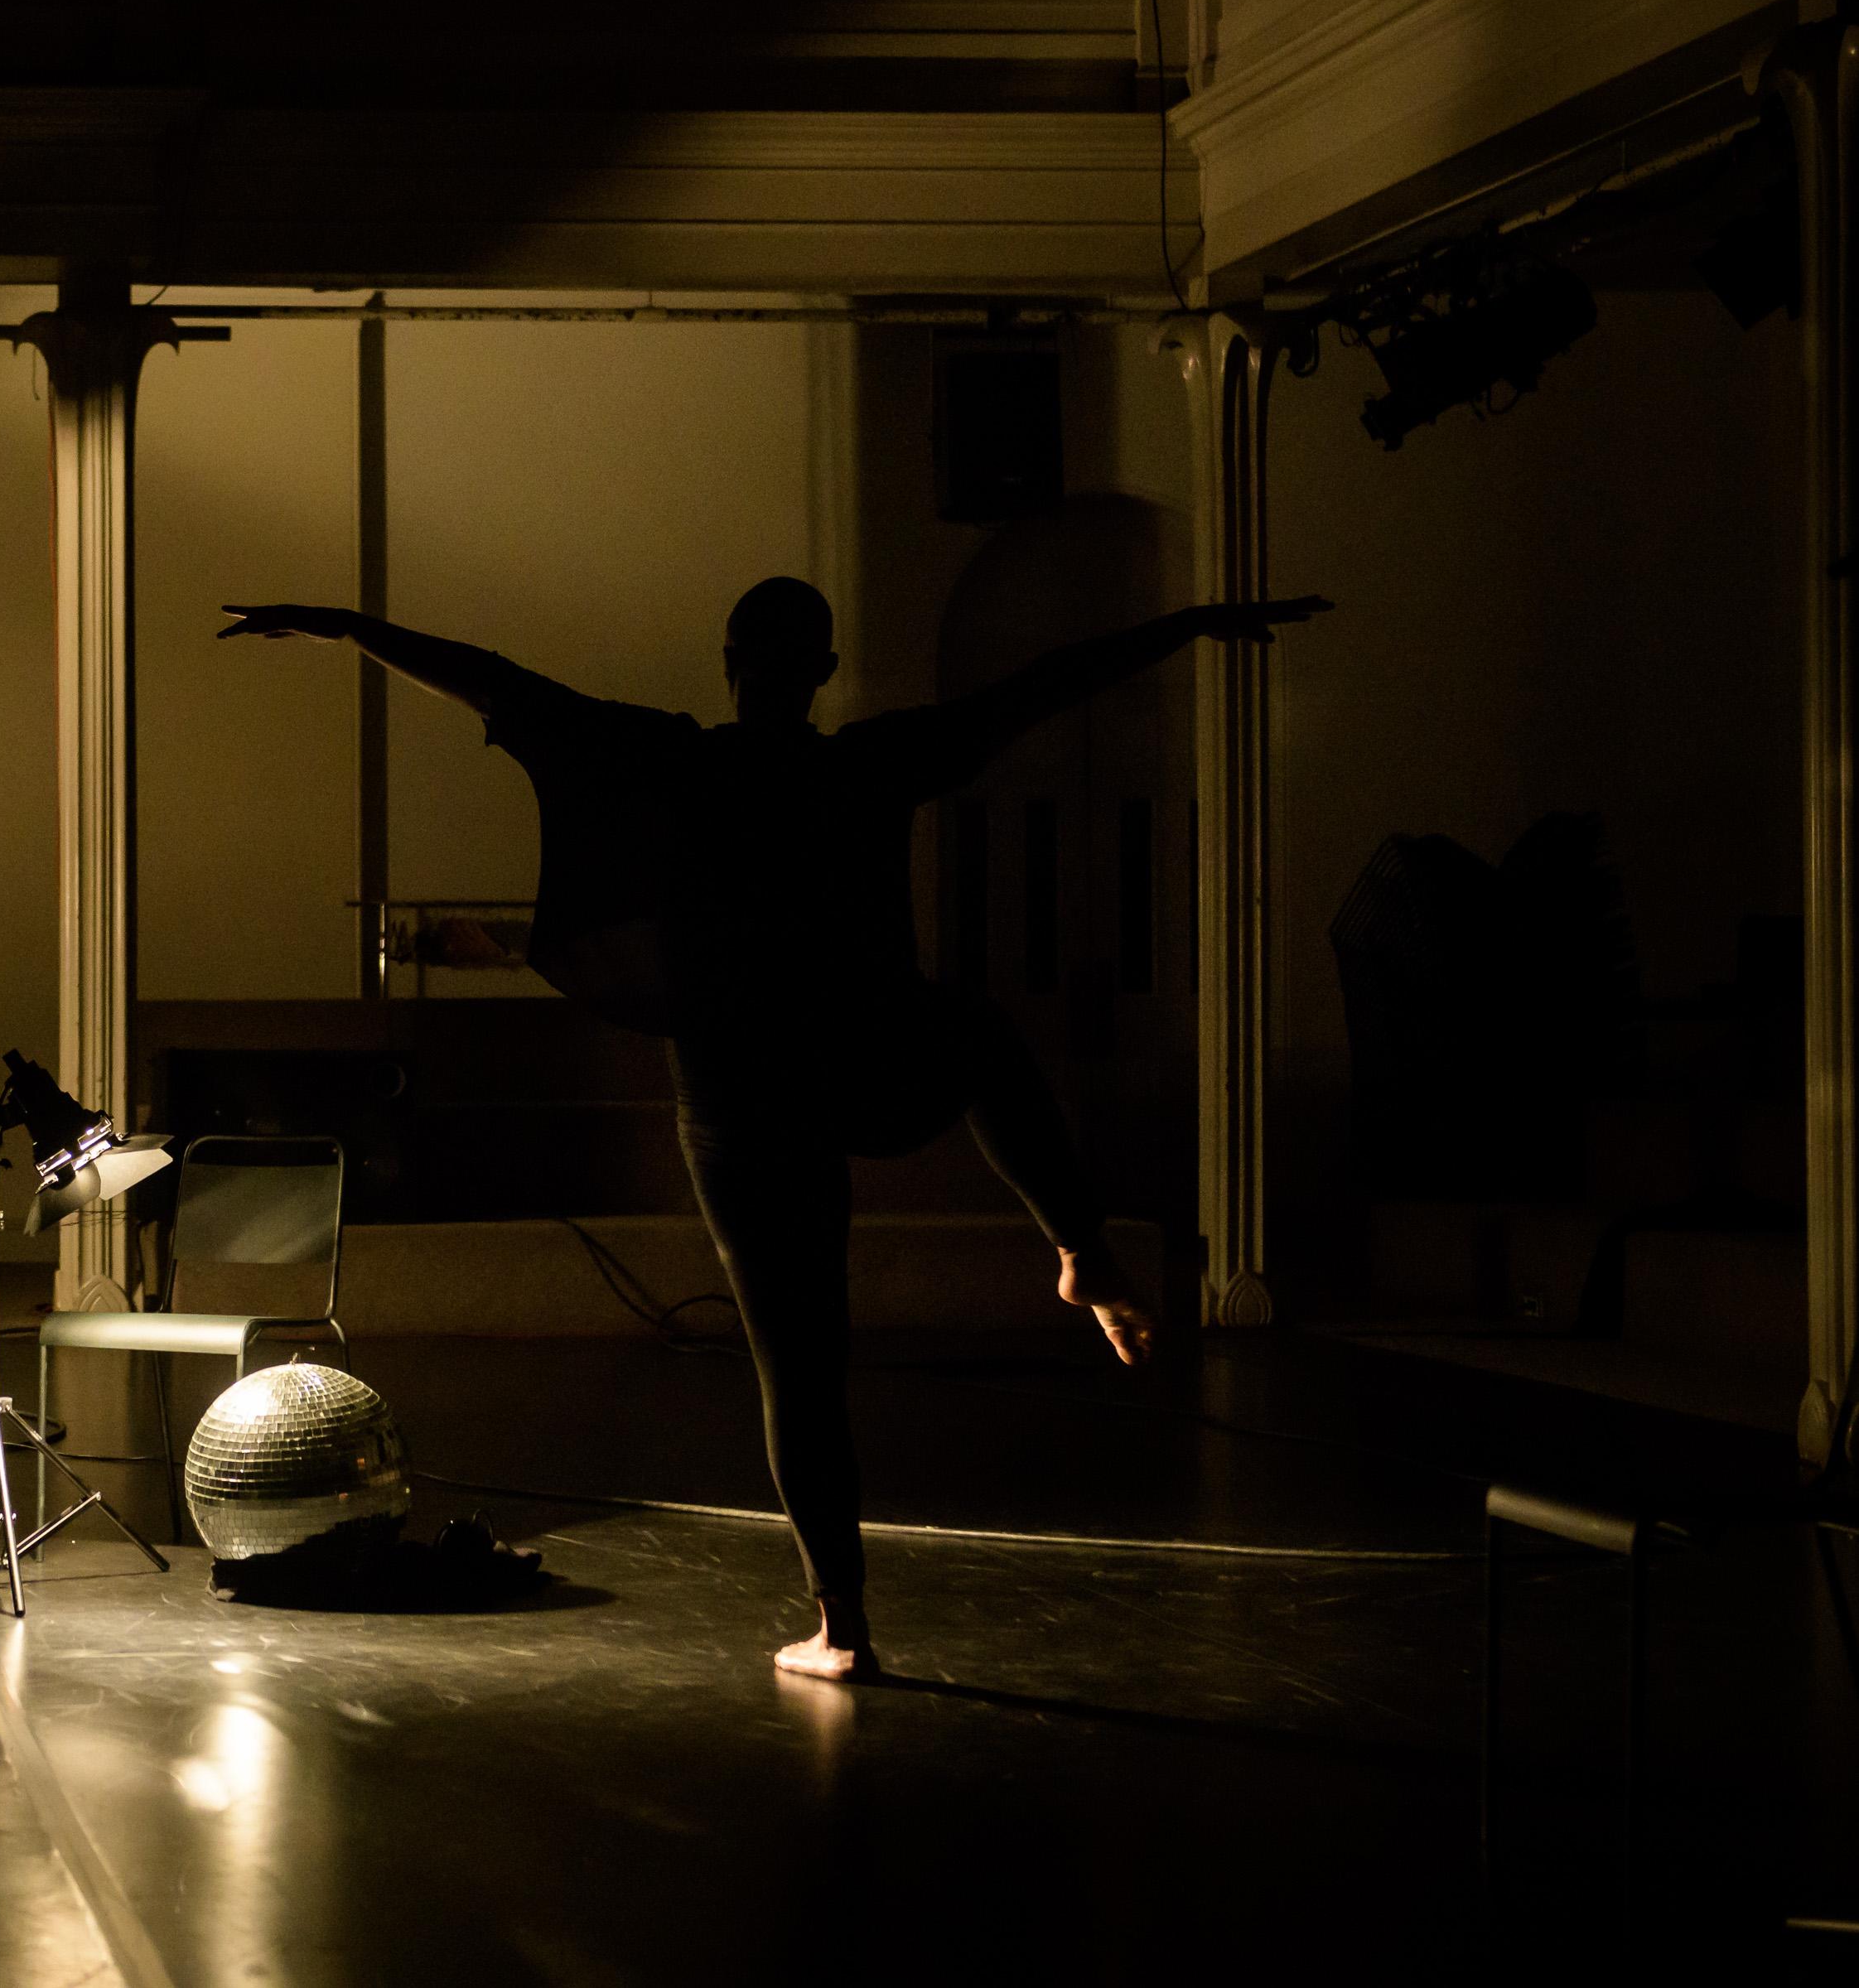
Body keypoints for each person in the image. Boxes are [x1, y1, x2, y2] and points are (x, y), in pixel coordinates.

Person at [220, 577, 1330, 1679]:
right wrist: (1184, 625)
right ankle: (1078, 1245)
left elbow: (495, 683)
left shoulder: (670, 758)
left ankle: (840, 1627)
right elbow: (1036, 690)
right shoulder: (863, 762)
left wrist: (347, 628)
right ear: (825, 669)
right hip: (864, 1064)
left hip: (742, 1092)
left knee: (798, 1368)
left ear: (727, 659)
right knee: (975, 1031)